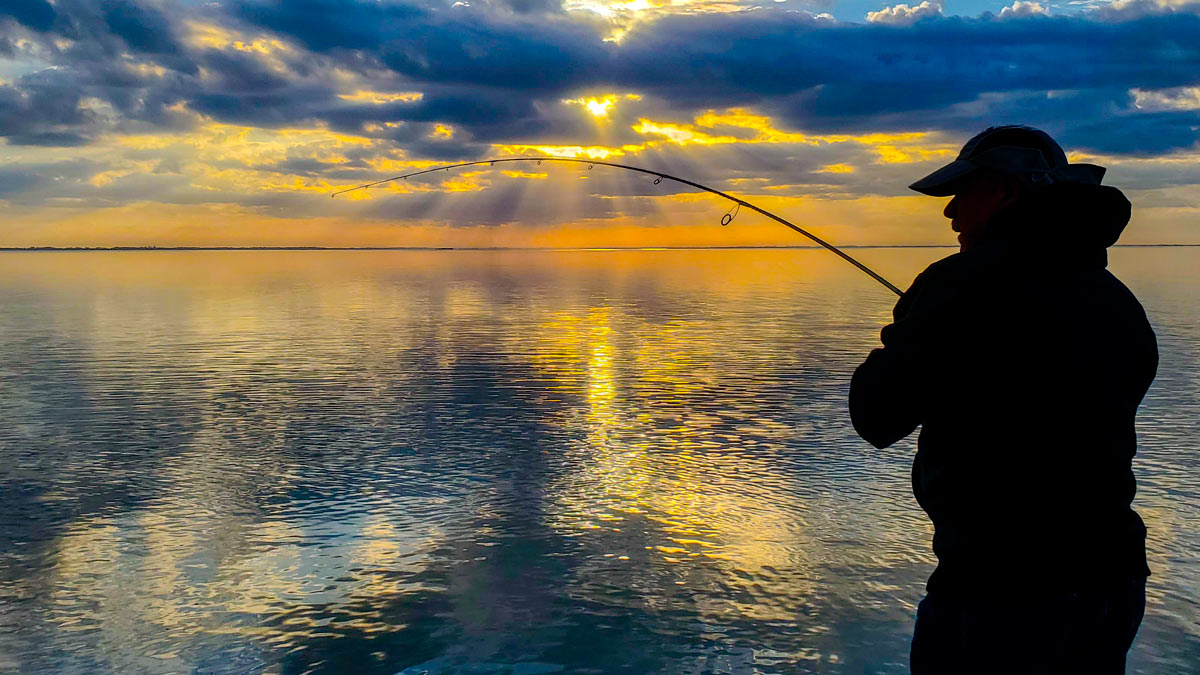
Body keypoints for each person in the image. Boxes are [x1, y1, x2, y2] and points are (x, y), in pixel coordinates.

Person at [848, 125, 1158, 674]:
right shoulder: (1115, 299)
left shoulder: (963, 282)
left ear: (1006, 193)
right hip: (1112, 580)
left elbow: (877, 414)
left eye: (962, 195)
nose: (950, 215)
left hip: (1000, 590)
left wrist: (902, 337)